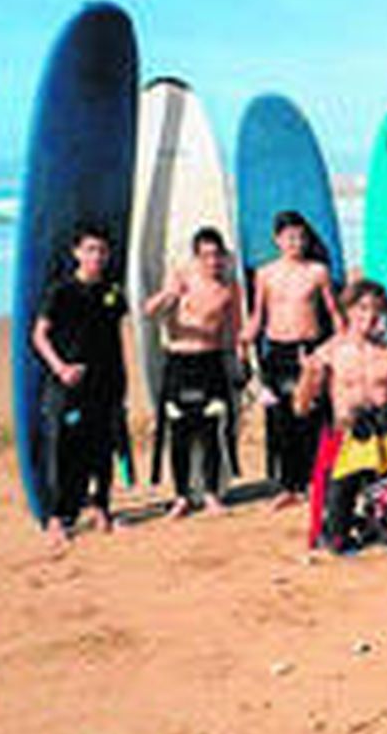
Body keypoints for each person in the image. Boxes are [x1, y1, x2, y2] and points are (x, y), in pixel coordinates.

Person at [295, 280, 387, 553]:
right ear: (348, 311)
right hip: (346, 437)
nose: (370, 317)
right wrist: (308, 377)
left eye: (377, 310)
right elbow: (301, 407)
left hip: (386, 436)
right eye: (362, 308)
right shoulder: (330, 352)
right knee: (334, 535)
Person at [31, 222, 132, 550]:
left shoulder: (113, 291)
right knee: (63, 450)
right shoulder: (61, 291)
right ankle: (58, 519)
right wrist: (60, 368)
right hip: (69, 384)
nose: (97, 257)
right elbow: (39, 334)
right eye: (90, 250)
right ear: (76, 252)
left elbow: (120, 332)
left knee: (103, 448)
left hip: (107, 381)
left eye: (102, 251)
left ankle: (102, 508)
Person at [240, 211, 344, 507]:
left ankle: (314, 482)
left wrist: (341, 344)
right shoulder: (265, 273)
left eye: (300, 237)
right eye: (289, 237)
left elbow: (333, 313)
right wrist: (246, 335)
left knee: (311, 418)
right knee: (281, 421)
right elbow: (258, 315)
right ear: (278, 240)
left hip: (310, 350)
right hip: (277, 352)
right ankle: (289, 486)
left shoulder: (317, 271)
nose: (295, 242)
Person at [141, 226, 243, 517]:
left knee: (211, 431)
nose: (213, 261)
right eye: (206, 256)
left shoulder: (228, 288)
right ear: (196, 258)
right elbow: (148, 311)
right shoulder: (181, 279)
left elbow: (234, 330)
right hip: (178, 362)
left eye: (217, 255)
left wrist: (241, 363)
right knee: (180, 432)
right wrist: (168, 295)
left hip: (211, 362)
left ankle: (211, 495)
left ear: (223, 257)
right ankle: (182, 497)